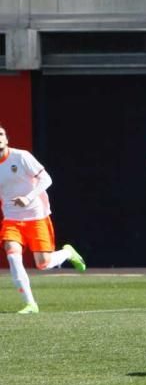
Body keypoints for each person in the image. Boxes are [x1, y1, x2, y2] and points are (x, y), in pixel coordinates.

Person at [1, 124, 86, 314]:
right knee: (13, 255)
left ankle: (67, 253)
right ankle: (30, 304)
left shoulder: (21, 157)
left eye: (1, 134)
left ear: (6, 139)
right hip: (11, 219)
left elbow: (46, 179)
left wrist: (28, 198)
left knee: (43, 263)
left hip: (36, 215)